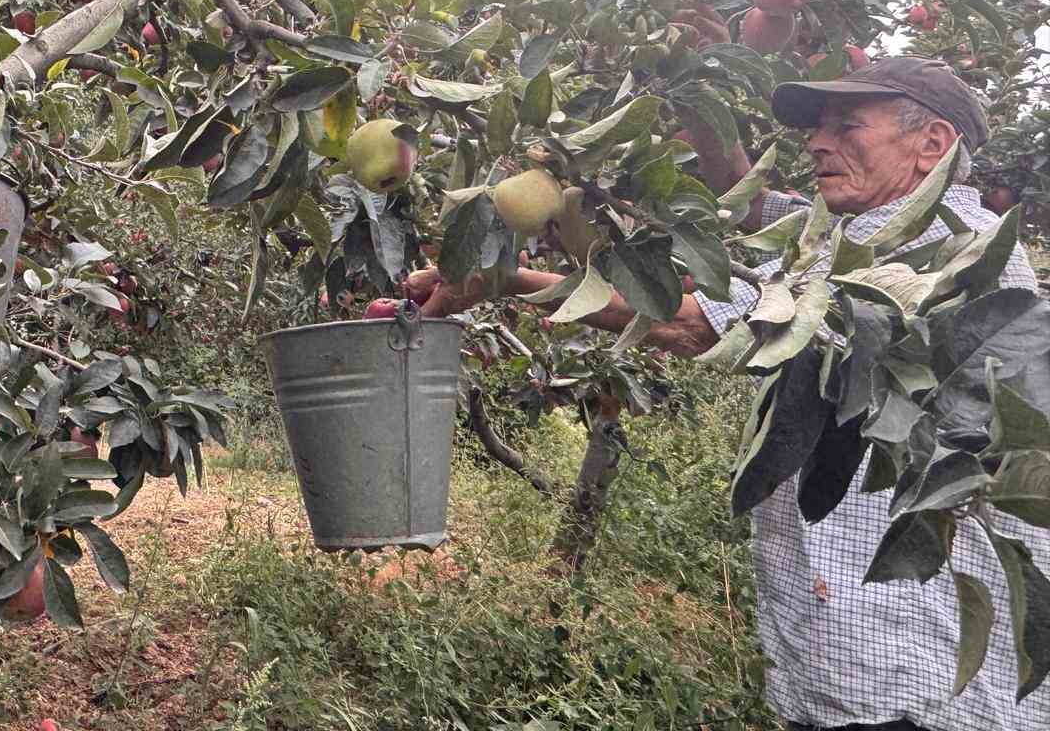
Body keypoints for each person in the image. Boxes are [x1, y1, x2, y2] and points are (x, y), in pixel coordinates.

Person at [426, 56, 1048, 731]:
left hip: (911, 664)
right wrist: (694, 90)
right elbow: (753, 206)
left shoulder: (937, 250)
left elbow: (696, 326)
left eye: (847, 124)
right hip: (866, 642)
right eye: (817, 126)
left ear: (932, 143)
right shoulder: (855, 233)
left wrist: (502, 279)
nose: (816, 141)